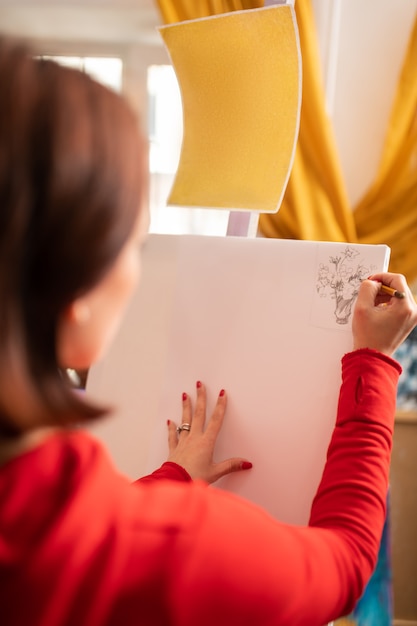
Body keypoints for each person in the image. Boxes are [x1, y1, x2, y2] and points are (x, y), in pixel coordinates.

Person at [0, 36, 416, 626]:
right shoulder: (164, 549)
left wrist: (170, 479)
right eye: (135, 243)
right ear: (77, 301)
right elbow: (344, 563)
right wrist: (373, 363)